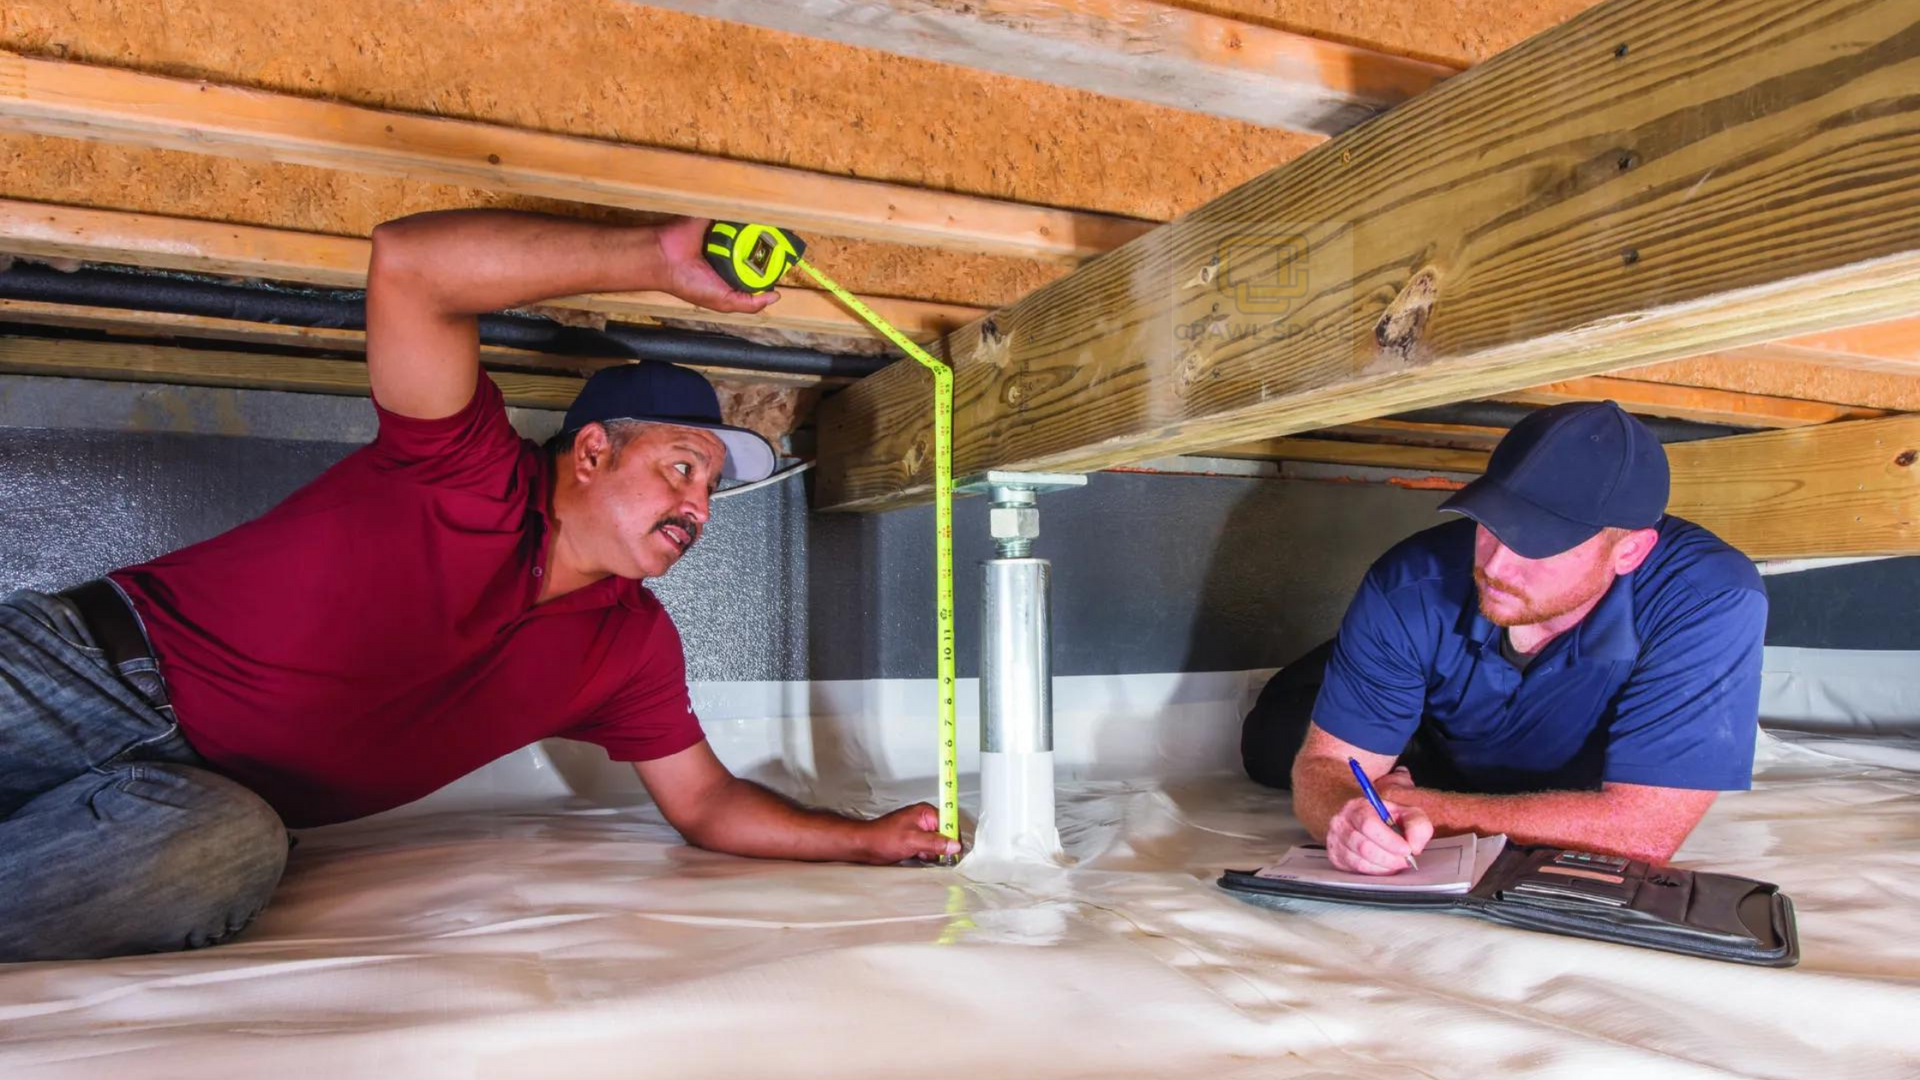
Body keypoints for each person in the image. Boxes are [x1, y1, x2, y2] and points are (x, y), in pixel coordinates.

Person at [0, 210, 957, 963]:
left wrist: (862, 842)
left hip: (198, 804)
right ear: (591, 451)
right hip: (72, 673)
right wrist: (658, 258)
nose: (700, 506)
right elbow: (411, 267)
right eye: (680, 467)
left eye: (711, 487)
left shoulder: (629, 648)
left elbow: (705, 805)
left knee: (225, 859)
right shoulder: (463, 470)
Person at [1241, 401, 1767, 874]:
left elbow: (1640, 832)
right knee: (1271, 745)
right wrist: (1349, 814)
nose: (1496, 564)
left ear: (1628, 552)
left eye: (1540, 543)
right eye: (1491, 523)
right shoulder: (1412, 581)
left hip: (1516, 753)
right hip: (1429, 716)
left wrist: (1419, 807)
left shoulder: (1709, 598)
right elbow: (1329, 769)